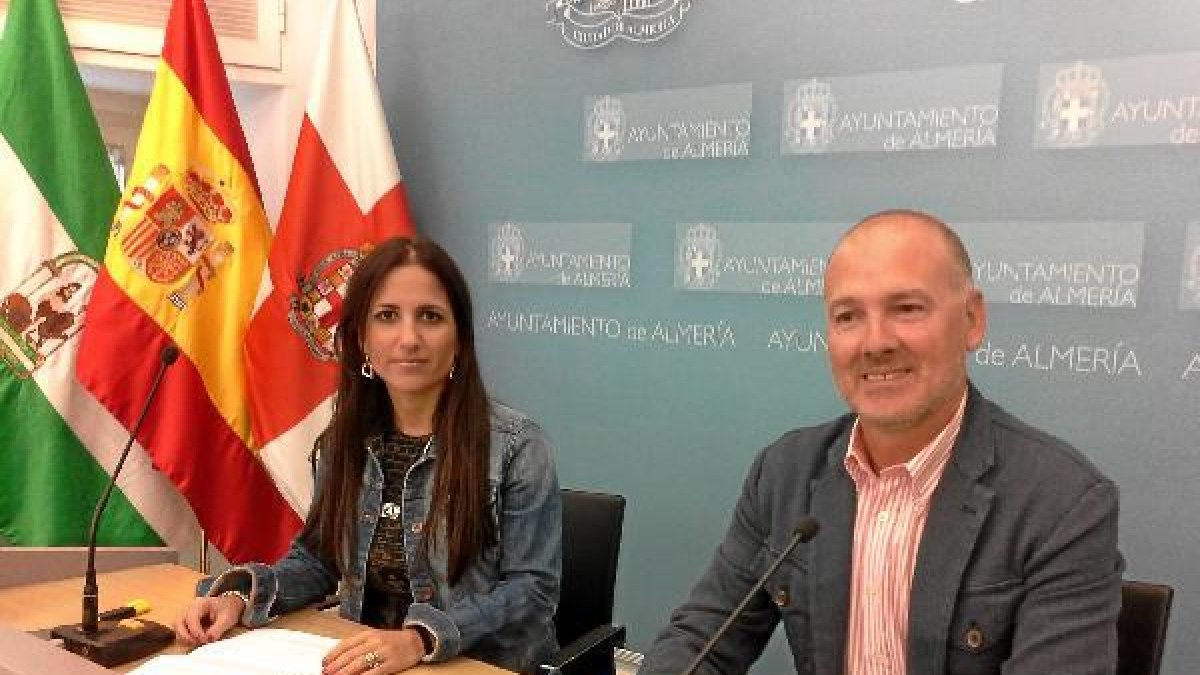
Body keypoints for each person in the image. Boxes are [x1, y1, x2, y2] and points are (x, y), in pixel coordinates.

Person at [641, 210, 1123, 675]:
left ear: (972, 320)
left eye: (906, 308)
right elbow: (700, 640)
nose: (875, 343)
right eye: (848, 316)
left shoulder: (1061, 502)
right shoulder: (784, 472)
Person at [175, 236, 562, 675]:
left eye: (430, 317)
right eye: (387, 317)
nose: (409, 338)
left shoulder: (518, 447)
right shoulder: (345, 442)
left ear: (460, 338)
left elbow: (532, 592)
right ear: (360, 337)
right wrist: (239, 596)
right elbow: (318, 561)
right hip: (367, 663)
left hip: (480, 666)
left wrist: (419, 639)